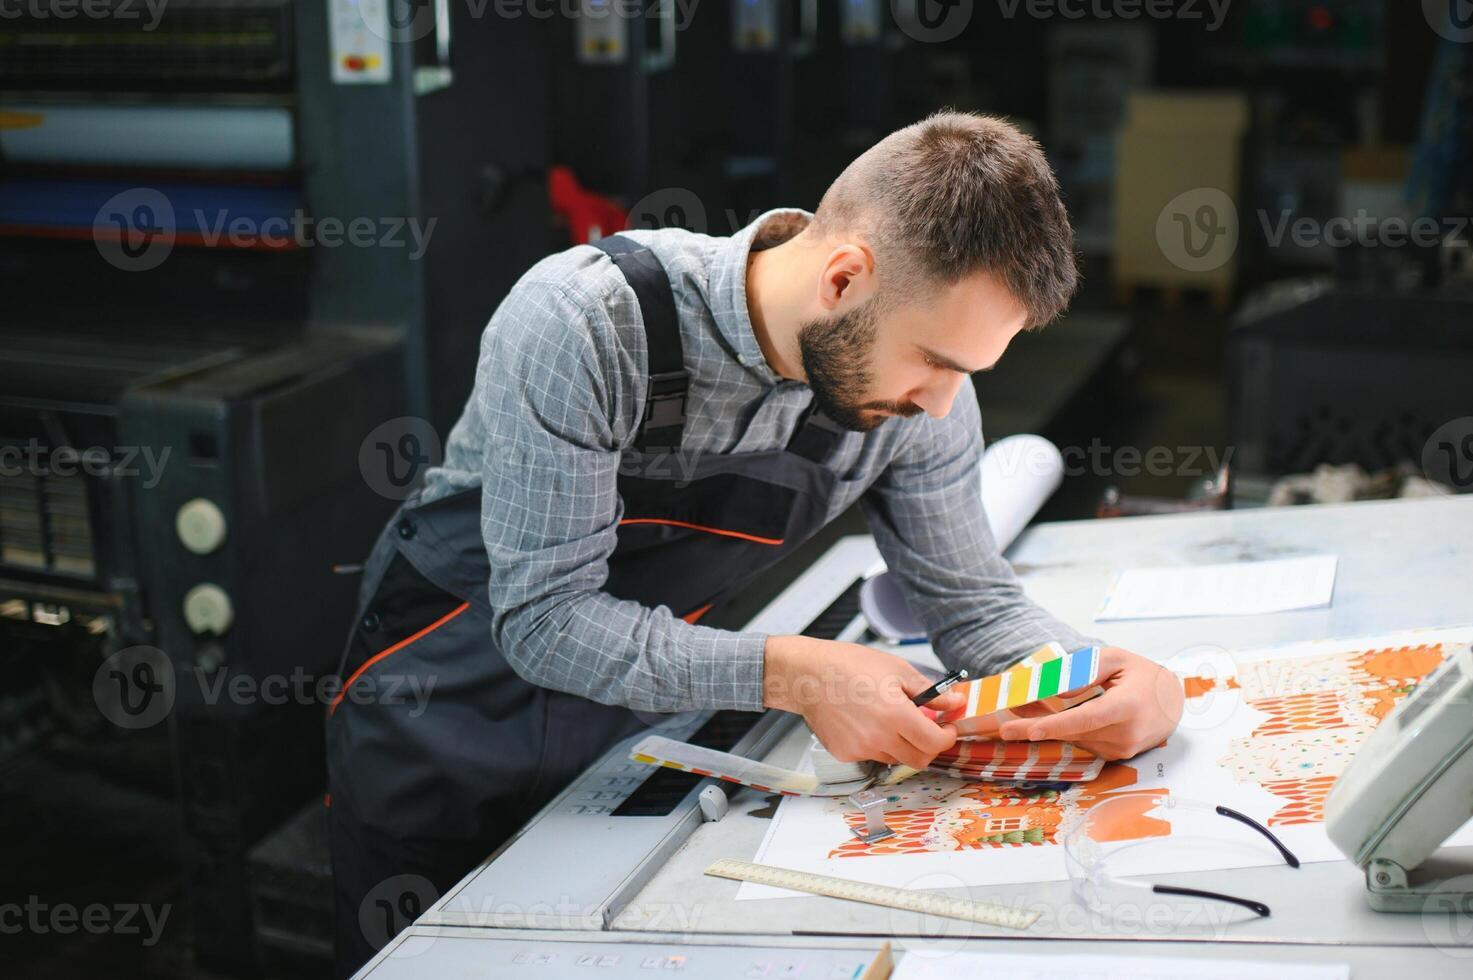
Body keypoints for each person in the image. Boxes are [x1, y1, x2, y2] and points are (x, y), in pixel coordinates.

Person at [326, 111, 1185, 976]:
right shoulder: (586, 323)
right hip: (441, 715)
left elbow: (970, 600)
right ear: (844, 279)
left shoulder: (920, 399)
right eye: (931, 362)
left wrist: (1098, 672)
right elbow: (546, 620)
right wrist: (797, 673)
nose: (941, 405)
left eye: (968, 372)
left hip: (629, 728)